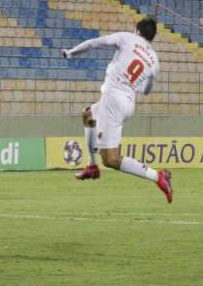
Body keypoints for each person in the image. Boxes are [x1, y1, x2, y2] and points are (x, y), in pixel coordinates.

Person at [62, 17, 173, 203]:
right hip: (128, 102)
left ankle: (158, 176)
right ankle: (91, 165)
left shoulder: (127, 38)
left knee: (111, 159)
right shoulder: (154, 60)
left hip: (113, 99)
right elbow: (146, 90)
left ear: (137, 30)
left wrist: (71, 53)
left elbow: (94, 43)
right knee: (88, 114)